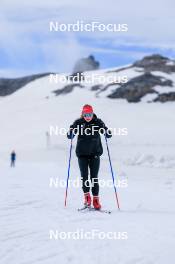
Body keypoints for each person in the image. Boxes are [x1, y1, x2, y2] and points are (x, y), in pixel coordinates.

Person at [67, 104, 112, 210]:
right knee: (84, 177)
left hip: (94, 154)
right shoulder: (78, 123)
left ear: (92, 114)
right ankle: (87, 197)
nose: (88, 116)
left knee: (94, 177)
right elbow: (70, 134)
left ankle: (96, 200)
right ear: (82, 114)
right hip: (82, 155)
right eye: (85, 114)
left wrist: (106, 132)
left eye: (89, 114)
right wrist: (71, 133)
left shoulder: (97, 122)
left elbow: (107, 133)